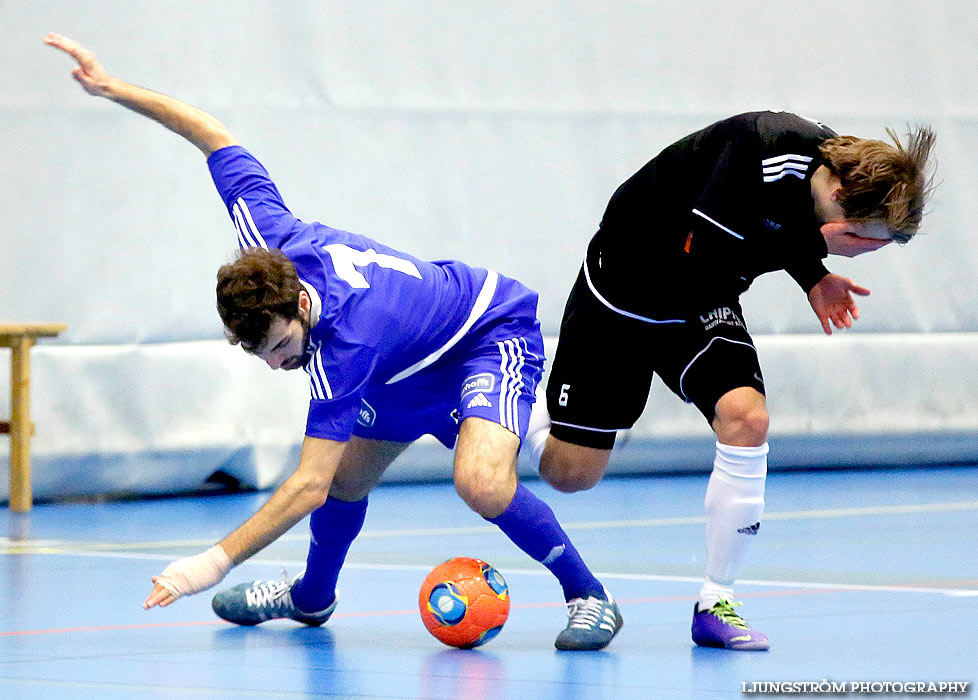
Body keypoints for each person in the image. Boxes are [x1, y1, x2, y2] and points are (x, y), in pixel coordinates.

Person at [46, 32, 623, 651]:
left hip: (481, 338)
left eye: (280, 347)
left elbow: (304, 485)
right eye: (258, 353)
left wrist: (205, 565)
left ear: (300, 304)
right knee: (347, 482)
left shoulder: (346, 344)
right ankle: (311, 598)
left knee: (479, 483)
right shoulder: (268, 236)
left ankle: (590, 594)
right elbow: (212, 135)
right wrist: (112, 88)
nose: (275, 365)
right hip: (395, 368)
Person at [524, 110, 936, 650]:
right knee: (571, 474)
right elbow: (704, 258)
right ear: (838, 198)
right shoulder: (756, 149)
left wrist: (814, 275)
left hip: (699, 301)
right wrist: (812, 245)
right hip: (628, 295)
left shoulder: (837, 173)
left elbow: (766, 234)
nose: (862, 249)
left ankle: (716, 601)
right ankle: (514, 397)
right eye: (860, 239)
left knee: (747, 419)